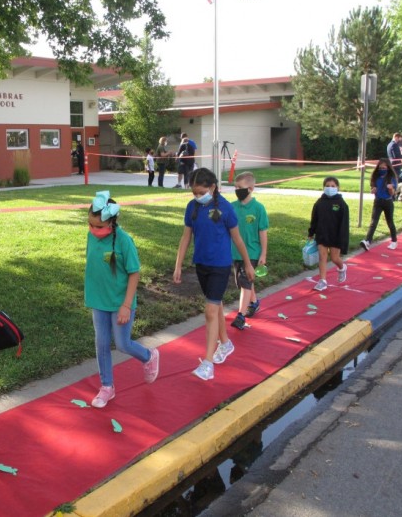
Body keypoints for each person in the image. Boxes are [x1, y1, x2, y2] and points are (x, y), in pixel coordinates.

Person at [173, 168, 254, 381]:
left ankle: (207, 363)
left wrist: (248, 264)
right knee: (215, 306)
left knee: (210, 311)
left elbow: (237, 239)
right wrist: (178, 265)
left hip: (220, 266)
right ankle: (226, 343)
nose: (198, 197)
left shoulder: (226, 209)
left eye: (201, 192)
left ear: (213, 187)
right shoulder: (192, 208)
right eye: (194, 193)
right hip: (201, 265)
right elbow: (185, 238)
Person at [85, 191, 159, 408]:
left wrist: (126, 305)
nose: (94, 230)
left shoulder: (124, 241)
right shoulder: (91, 235)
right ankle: (107, 386)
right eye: (90, 225)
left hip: (120, 303)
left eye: (99, 227)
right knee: (101, 343)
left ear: (113, 223)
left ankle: (149, 356)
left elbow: (134, 273)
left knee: (123, 344)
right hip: (98, 300)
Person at [229, 172, 269, 331]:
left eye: (240, 187)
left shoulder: (259, 208)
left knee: (245, 282)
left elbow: (263, 232)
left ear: (251, 188)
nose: (237, 190)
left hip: (252, 252)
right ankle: (254, 302)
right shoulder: (232, 207)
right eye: (235, 187)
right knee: (242, 282)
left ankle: (240, 315)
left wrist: (263, 253)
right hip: (235, 253)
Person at [307, 176, 349, 291]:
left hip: (335, 236)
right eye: (327, 186)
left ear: (337, 188)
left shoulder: (341, 204)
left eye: (332, 186)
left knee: (335, 258)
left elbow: (344, 224)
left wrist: (343, 239)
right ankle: (322, 281)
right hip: (322, 234)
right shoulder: (319, 203)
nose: (330, 188)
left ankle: (342, 267)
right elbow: (314, 218)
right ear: (323, 187)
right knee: (322, 257)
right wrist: (311, 232)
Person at [359, 158, 399, 251]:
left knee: (390, 221)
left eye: (384, 168)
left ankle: (394, 241)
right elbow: (373, 188)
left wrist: (390, 188)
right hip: (378, 201)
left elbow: (392, 193)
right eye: (380, 168)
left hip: (388, 201)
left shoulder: (391, 178)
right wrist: (373, 190)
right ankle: (368, 241)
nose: (382, 169)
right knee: (374, 222)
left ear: (388, 168)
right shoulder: (375, 177)